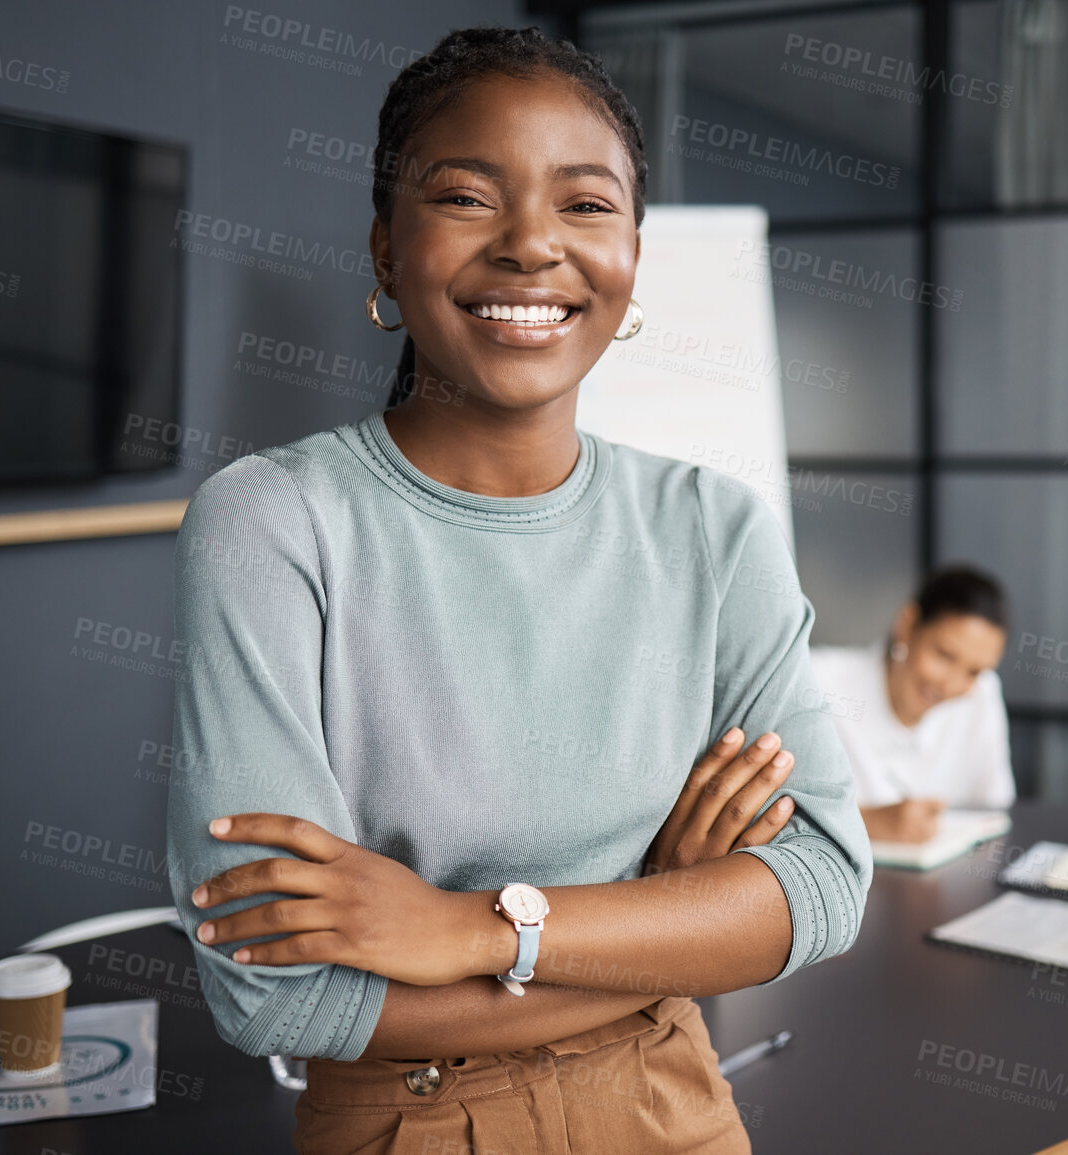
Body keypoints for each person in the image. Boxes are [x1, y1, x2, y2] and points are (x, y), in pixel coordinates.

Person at [163, 27, 871, 1155]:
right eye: (465, 196)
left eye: (586, 205)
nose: (534, 244)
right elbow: (278, 998)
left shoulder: (715, 529)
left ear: (634, 255)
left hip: (678, 1107)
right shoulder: (273, 521)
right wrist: (663, 919)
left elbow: (825, 888)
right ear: (387, 252)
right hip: (413, 1120)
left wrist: (475, 929)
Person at [811, 565, 1015, 844]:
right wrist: (868, 822)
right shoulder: (818, 682)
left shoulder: (983, 693)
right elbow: (769, 813)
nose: (951, 685)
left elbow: (995, 808)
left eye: (973, 671)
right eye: (944, 655)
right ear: (907, 625)